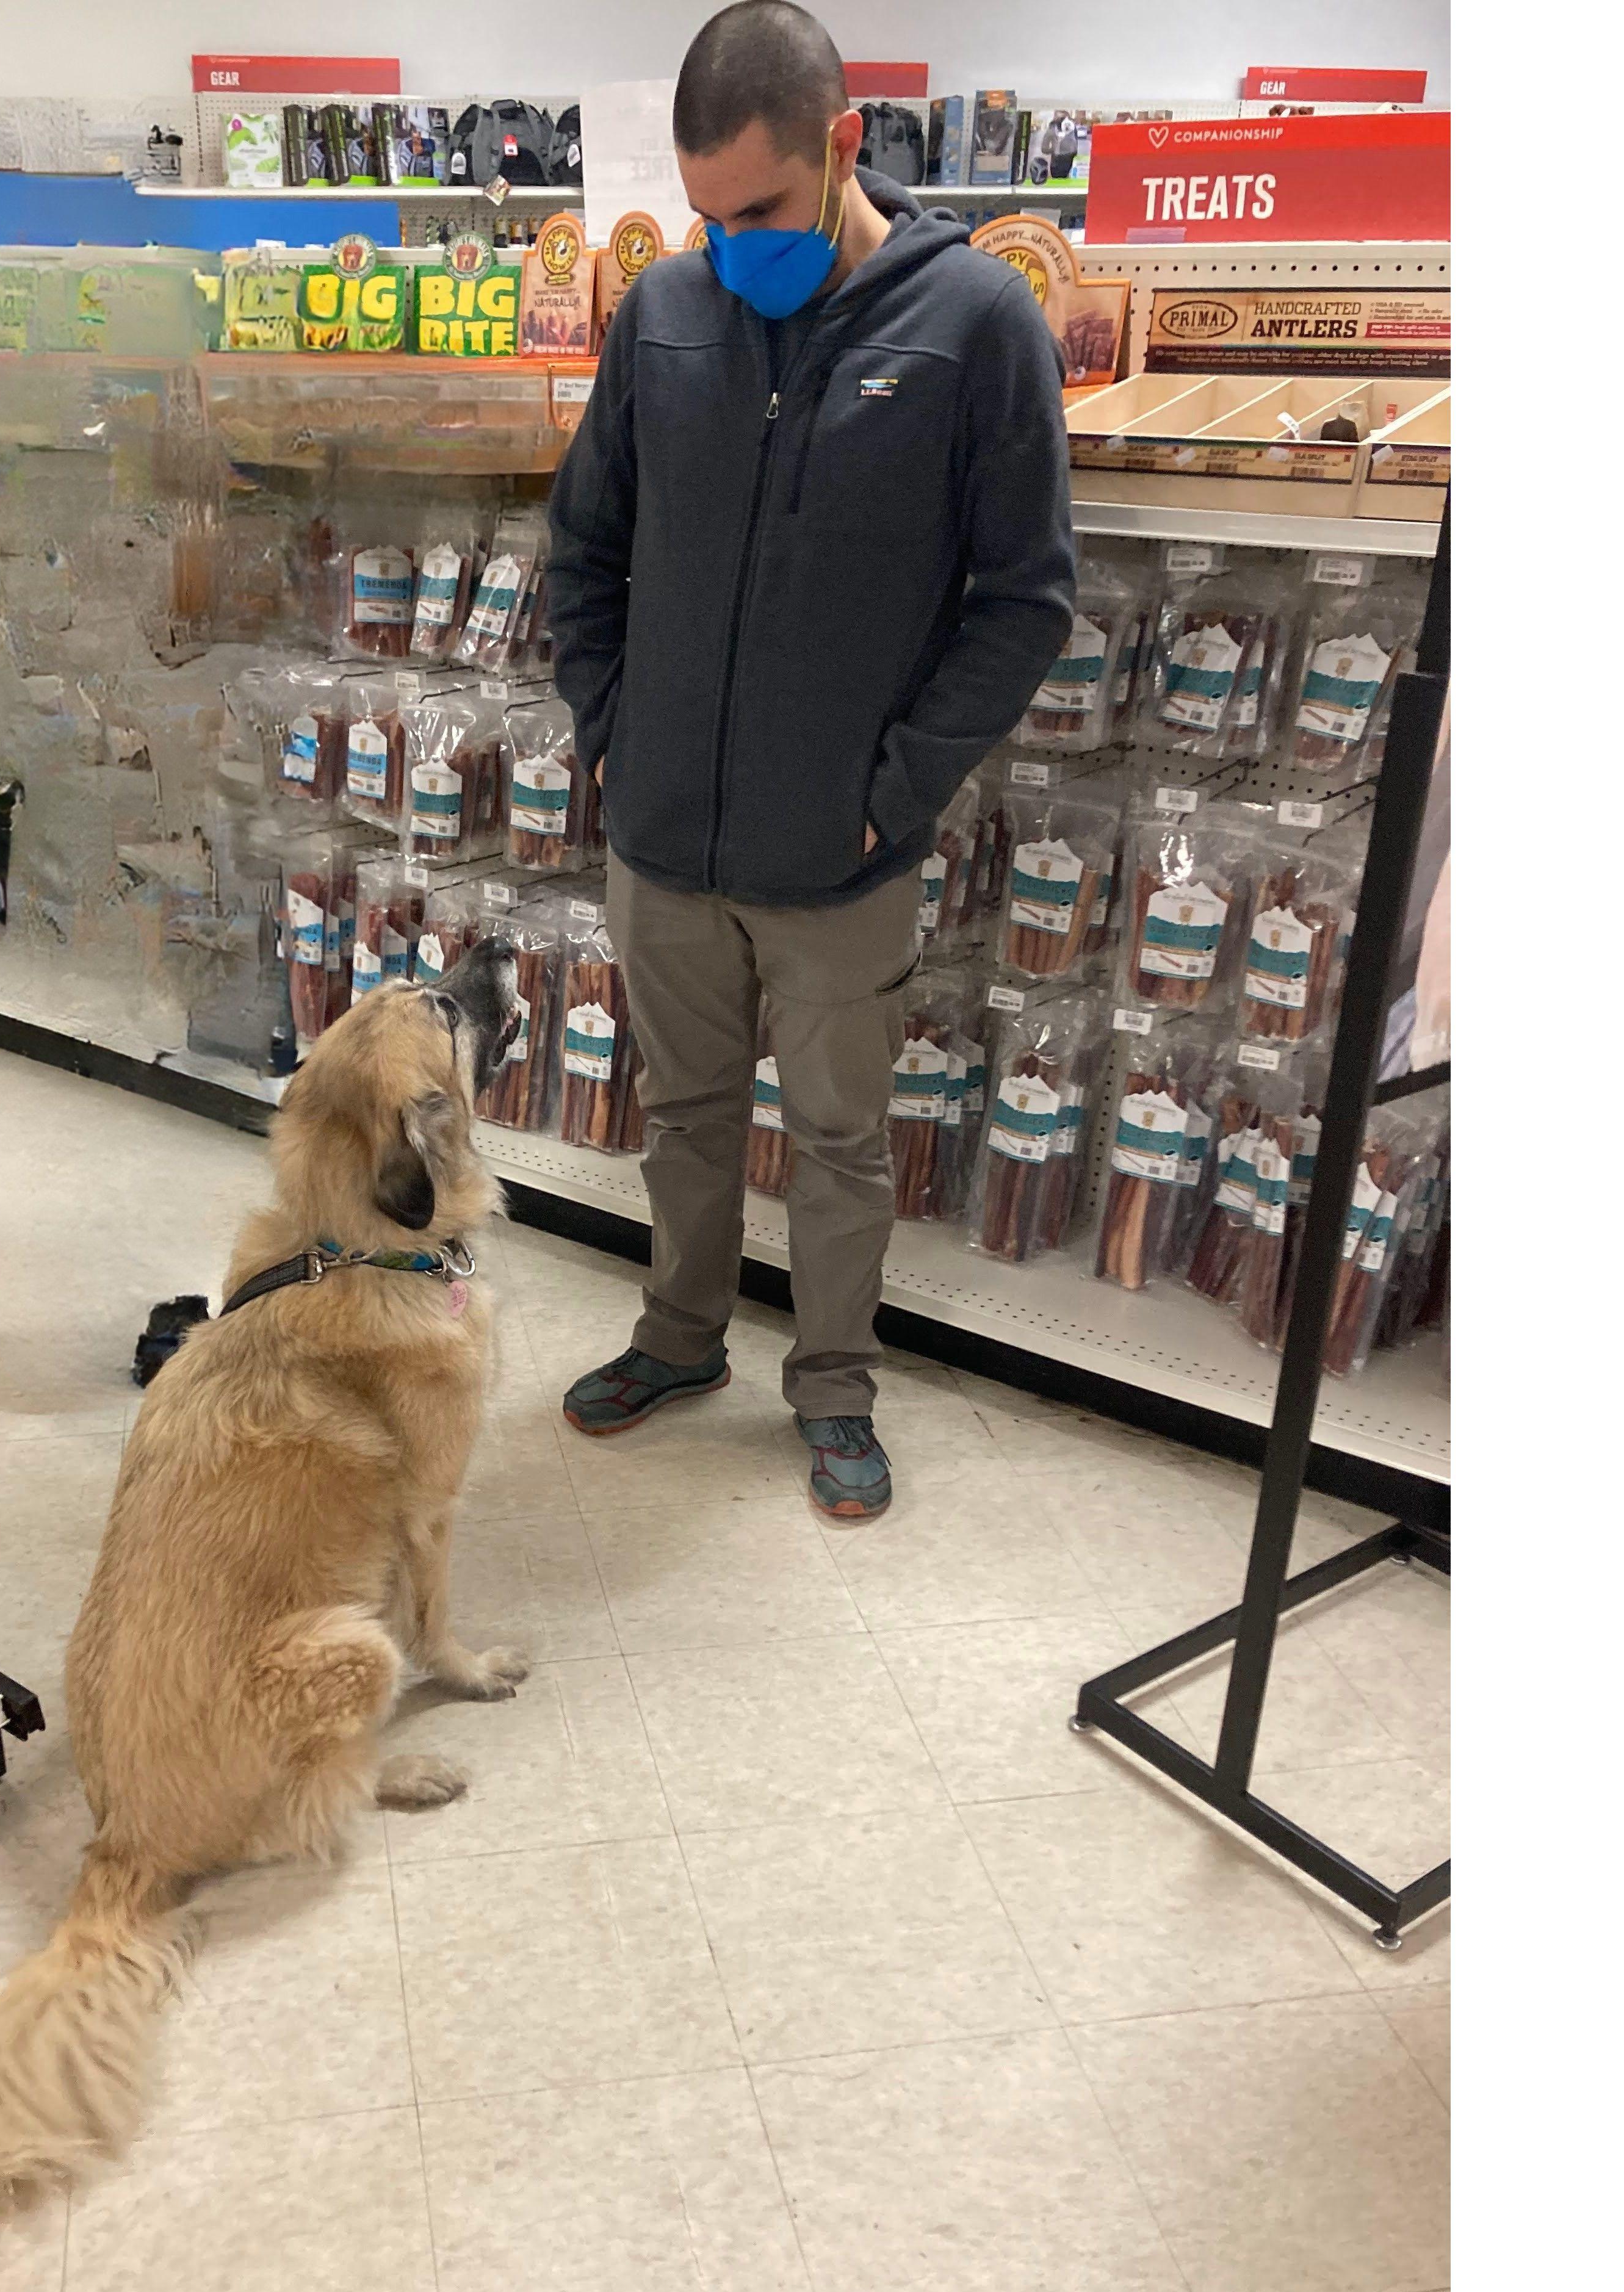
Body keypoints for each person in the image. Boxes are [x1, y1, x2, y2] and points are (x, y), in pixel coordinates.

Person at [544, 0, 1076, 1520]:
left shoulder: (976, 324)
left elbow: (1027, 598)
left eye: (762, 211)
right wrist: (614, 735)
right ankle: (678, 1338)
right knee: (686, 1119)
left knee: (840, 1144)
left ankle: (833, 1389)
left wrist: (891, 796)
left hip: (840, 860)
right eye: (708, 218)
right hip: (665, 848)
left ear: (846, 145)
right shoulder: (664, 314)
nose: (733, 247)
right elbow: (584, 555)